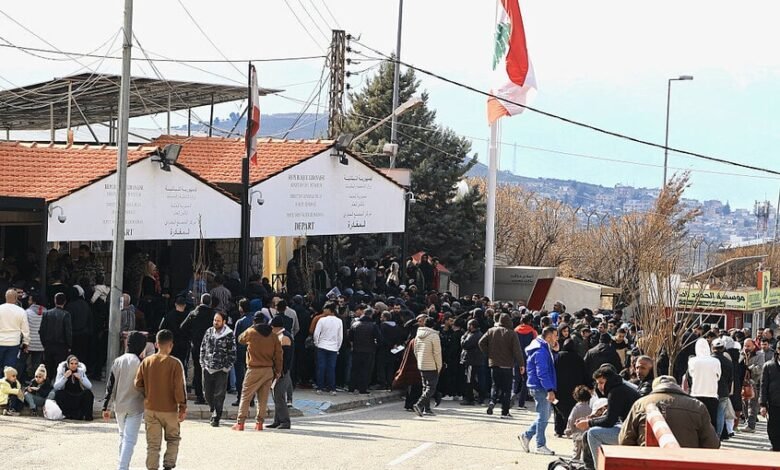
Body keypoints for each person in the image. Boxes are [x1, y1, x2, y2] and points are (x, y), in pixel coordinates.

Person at [134, 329, 187, 470]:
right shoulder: (175, 364)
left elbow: (137, 384)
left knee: (153, 444)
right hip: (170, 409)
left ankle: (152, 467)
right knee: (173, 439)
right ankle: (168, 465)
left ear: (156, 344)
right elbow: (179, 388)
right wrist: (182, 407)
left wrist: (147, 394)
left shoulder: (146, 362)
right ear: (171, 345)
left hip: (151, 408)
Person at [620, 375, 720, 448]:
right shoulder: (697, 406)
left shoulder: (640, 404)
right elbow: (712, 444)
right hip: (687, 463)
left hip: (649, 462)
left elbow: (625, 440)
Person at [576, 365, 640, 469]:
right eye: (597, 383)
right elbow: (611, 417)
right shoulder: (620, 388)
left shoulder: (616, 392)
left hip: (632, 435)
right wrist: (590, 420)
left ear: (609, 380)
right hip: (630, 429)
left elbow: (609, 421)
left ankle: (599, 467)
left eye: (601, 383)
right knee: (591, 432)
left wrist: (588, 423)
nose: (599, 387)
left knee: (593, 434)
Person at [102, 331, 147, 470]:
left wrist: (106, 407)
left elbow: (110, 386)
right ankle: (122, 467)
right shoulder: (141, 363)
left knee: (122, 435)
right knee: (130, 439)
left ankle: (122, 465)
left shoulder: (118, 360)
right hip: (136, 406)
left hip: (119, 406)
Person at [233, 314, 282, 432]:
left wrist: (251, 327)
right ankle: (259, 423)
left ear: (254, 322)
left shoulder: (251, 332)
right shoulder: (273, 336)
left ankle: (240, 423)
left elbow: (240, 339)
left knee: (246, 396)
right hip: (268, 370)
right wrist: (278, 371)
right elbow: (279, 355)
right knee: (263, 399)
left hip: (253, 369)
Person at [518, 326, 558, 456]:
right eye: (555, 335)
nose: (556, 338)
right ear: (549, 336)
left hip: (538, 386)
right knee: (543, 416)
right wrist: (549, 389)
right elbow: (542, 373)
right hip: (540, 387)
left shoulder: (541, 348)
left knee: (544, 416)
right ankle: (540, 445)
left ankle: (526, 435)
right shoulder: (541, 351)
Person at [479, 313, 525, 418]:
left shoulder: (491, 331)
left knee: (495, 385)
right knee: (506, 389)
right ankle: (505, 411)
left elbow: (481, 342)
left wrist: (489, 353)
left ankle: (492, 401)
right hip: (507, 365)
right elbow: (517, 351)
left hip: (494, 363)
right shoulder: (512, 333)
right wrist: (521, 364)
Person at [199, 311, 236, 427]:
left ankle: (216, 416)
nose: (216, 322)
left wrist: (227, 367)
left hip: (221, 370)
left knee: (219, 394)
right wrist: (202, 363)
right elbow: (203, 347)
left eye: (218, 321)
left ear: (224, 322)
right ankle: (213, 408)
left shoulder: (229, 334)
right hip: (207, 367)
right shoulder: (209, 331)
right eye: (215, 320)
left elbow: (232, 353)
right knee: (207, 393)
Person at [180, 293, 215, 404]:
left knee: (197, 370)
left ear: (201, 301)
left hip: (196, 344)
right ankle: (209, 395)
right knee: (209, 371)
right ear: (210, 302)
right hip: (209, 346)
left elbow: (183, 327)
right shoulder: (213, 314)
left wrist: (191, 336)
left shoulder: (194, 313)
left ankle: (199, 396)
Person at [555, 338, 590, 436]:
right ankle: (571, 428)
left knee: (558, 409)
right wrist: (589, 385)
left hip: (559, 389)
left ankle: (559, 430)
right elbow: (584, 373)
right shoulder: (578, 358)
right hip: (574, 389)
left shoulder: (558, 357)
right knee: (572, 409)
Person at [38, 292, 72, 386]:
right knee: (60, 368)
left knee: (48, 368)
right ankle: (58, 386)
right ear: (65, 302)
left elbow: (41, 330)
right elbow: (68, 332)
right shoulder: (66, 314)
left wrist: (44, 343)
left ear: (54, 301)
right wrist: (69, 345)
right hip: (61, 346)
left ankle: (46, 386)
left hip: (48, 345)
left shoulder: (46, 313)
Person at [687, 337, 721, 430]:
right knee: (711, 421)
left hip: (696, 393)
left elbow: (691, 375)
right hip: (712, 394)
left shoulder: (692, 361)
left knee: (696, 421)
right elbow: (718, 376)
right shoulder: (715, 361)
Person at [412, 315, 442, 417]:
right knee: (431, 388)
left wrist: (419, 360)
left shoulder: (418, 334)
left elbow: (415, 350)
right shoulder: (434, 336)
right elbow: (437, 353)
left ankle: (427, 409)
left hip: (421, 363)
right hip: (431, 364)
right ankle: (419, 404)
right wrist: (439, 366)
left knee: (425, 387)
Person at [268, 315, 293, 430]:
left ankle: (285, 421)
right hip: (277, 371)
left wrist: (280, 372)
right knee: (276, 396)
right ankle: (277, 420)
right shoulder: (279, 336)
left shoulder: (284, 337)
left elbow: (285, 358)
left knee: (280, 396)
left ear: (275, 327)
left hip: (282, 372)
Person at [349, 307, 380, 395]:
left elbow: (350, 337)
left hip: (356, 350)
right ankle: (362, 388)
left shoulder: (355, 324)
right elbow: (379, 338)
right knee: (366, 370)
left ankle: (352, 387)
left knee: (354, 369)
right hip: (369, 351)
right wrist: (375, 345)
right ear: (371, 315)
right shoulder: (373, 326)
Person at [313, 302, 343, 395]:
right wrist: (338, 347)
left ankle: (320, 387)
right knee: (331, 368)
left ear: (329, 310)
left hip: (322, 345)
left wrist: (317, 343)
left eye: (325, 309)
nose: (324, 310)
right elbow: (340, 336)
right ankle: (332, 388)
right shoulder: (339, 321)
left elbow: (316, 334)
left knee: (321, 367)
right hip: (333, 347)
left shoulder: (322, 320)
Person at [53, 354, 94, 421]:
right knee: (58, 393)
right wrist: (64, 377)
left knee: (88, 393)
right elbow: (56, 386)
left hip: (78, 395)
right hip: (67, 395)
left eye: (75, 364)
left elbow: (89, 386)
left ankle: (87, 416)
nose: (74, 365)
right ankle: (66, 414)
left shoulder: (80, 371)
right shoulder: (62, 370)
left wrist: (81, 378)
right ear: (68, 364)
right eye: (71, 363)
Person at [158, 296, 191, 372]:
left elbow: (161, 328)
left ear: (175, 304)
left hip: (171, 343)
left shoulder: (168, 315)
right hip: (184, 344)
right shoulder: (189, 317)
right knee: (181, 363)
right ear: (185, 305)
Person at [0, 289, 30, 369]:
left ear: (5, 297)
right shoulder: (21, 311)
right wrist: (26, 343)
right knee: (9, 369)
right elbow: (25, 330)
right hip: (14, 342)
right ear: (16, 298)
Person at [232, 299, 254, 407]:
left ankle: (241, 397)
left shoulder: (240, 322)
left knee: (240, 376)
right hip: (252, 351)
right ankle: (251, 398)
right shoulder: (254, 320)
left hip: (241, 351)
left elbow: (235, 338)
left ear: (241, 308)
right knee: (251, 375)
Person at [711, 337, 734, 438]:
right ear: (723, 348)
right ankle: (718, 435)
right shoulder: (728, 362)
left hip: (710, 390)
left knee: (711, 412)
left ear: (712, 348)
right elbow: (730, 379)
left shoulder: (709, 360)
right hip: (724, 391)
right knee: (721, 414)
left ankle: (710, 434)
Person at [760, 341, 780, 451]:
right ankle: (776, 446)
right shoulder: (769, 366)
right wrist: (763, 404)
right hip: (774, 402)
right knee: (773, 427)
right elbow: (763, 386)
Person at [740, 337, 763, 433]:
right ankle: (747, 422)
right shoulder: (741, 354)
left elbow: (760, 368)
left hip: (754, 382)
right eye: (745, 346)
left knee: (752, 405)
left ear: (753, 346)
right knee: (744, 403)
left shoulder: (759, 355)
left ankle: (751, 425)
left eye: (748, 346)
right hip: (743, 383)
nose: (746, 348)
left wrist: (750, 368)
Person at [460, 319, 484, 405]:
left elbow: (465, 344)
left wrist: (462, 337)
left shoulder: (474, 335)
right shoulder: (476, 334)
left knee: (469, 380)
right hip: (472, 359)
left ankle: (470, 398)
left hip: (471, 360)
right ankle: (480, 394)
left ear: (471, 326)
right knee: (471, 379)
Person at [566, 385, 593, 460]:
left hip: (577, 433)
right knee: (586, 452)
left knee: (576, 451)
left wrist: (569, 430)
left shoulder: (576, 408)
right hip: (587, 434)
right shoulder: (590, 408)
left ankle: (574, 463)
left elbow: (571, 419)